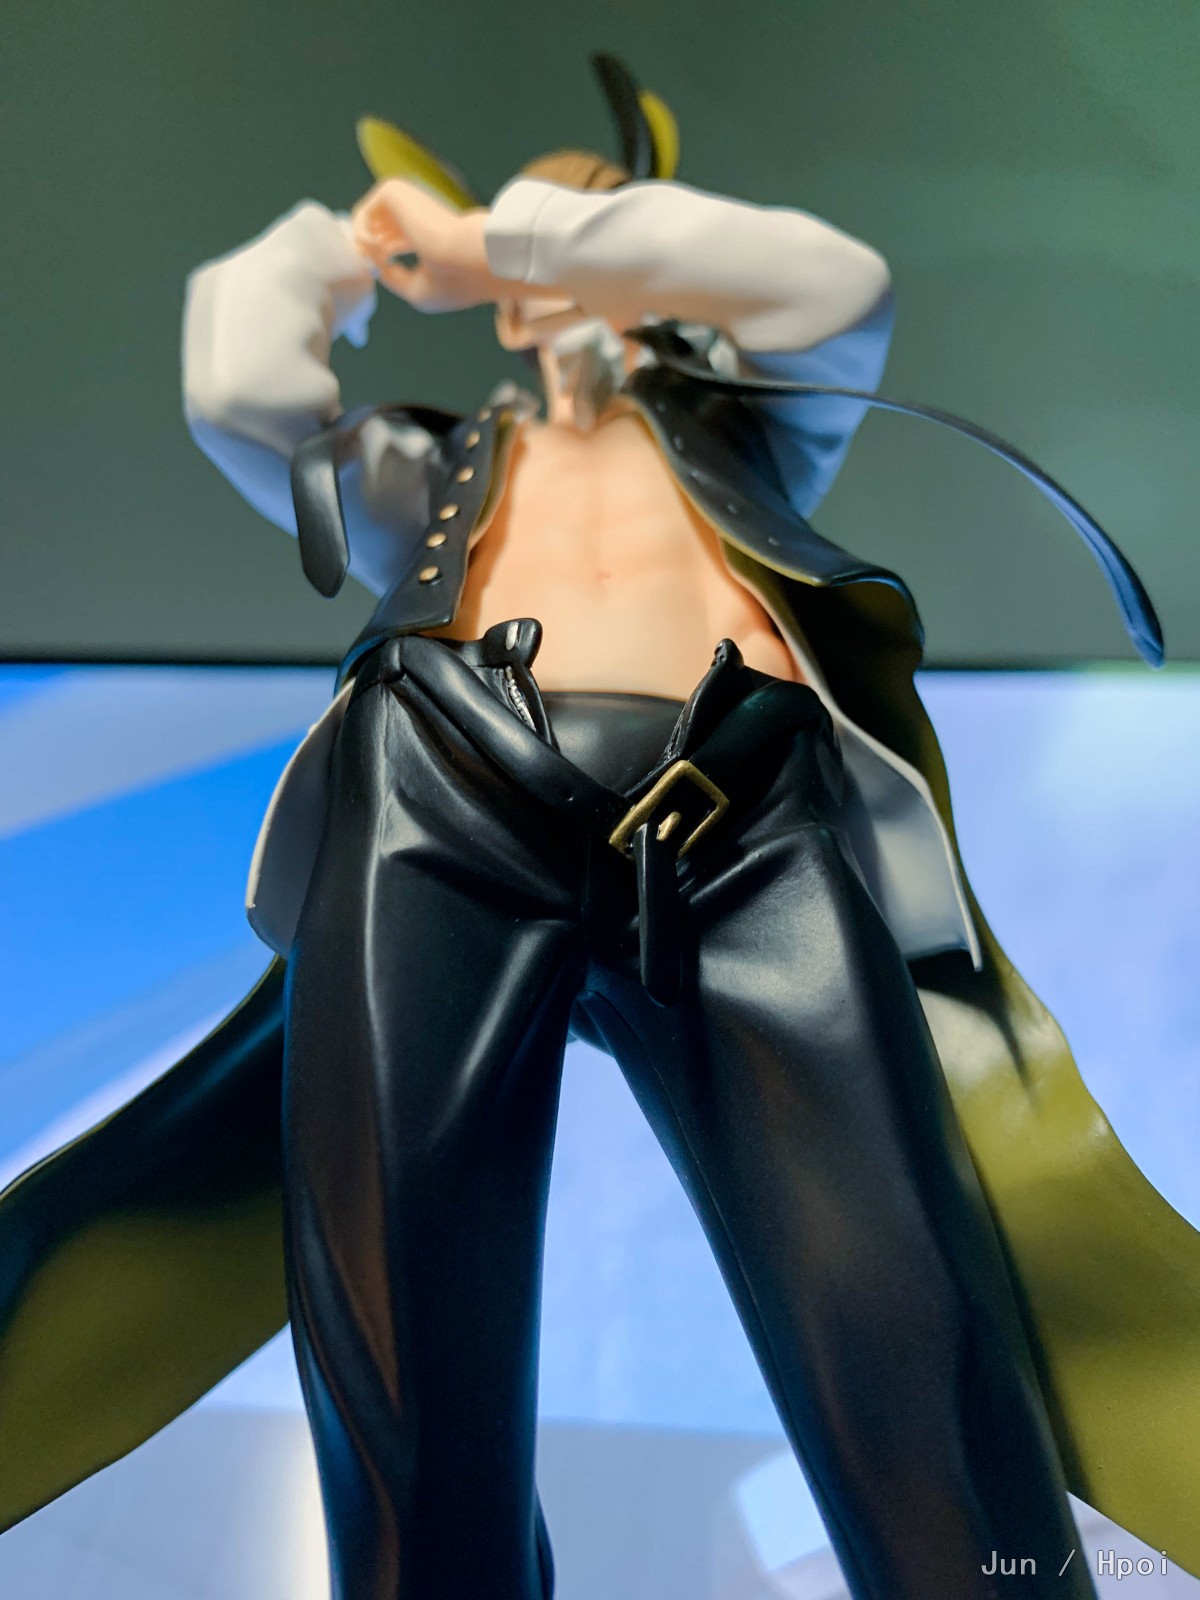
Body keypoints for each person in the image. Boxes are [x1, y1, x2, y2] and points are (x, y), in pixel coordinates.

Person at [0, 53, 1196, 1600]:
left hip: (745, 807)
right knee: (405, 1358)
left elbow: (831, 277)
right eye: (542, 235)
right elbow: (239, 386)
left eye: (604, 223)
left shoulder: (759, 422)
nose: (568, 250)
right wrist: (345, 247)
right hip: (441, 789)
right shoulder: (427, 475)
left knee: (910, 1321)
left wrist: (501, 236)